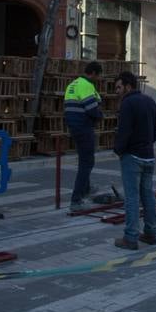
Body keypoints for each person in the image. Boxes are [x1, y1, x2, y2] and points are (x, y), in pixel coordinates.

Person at [112, 71, 156, 251]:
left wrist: (118, 149)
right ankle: (150, 233)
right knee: (148, 195)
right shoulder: (149, 101)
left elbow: (123, 132)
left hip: (132, 157)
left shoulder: (127, 103)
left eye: (119, 87)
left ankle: (130, 237)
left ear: (128, 86)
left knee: (132, 198)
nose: (117, 91)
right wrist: (148, 143)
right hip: (148, 156)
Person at [64, 61, 104, 212]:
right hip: (84, 127)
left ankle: (86, 188)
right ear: (93, 73)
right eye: (99, 75)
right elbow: (92, 109)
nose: (99, 79)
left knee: (84, 160)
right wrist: (100, 115)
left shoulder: (73, 84)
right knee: (87, 162)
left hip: (74, 127)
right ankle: (77, 199)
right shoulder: (87, 85)